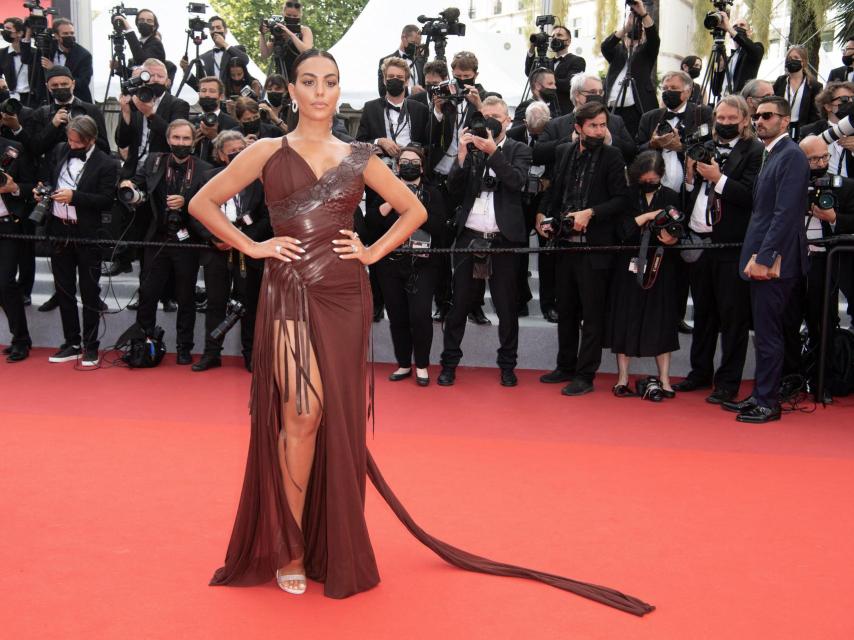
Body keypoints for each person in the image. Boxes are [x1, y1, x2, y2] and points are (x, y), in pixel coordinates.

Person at [188, 49, 653, 615]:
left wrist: (371, 251)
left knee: (330, 417)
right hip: (286, 289)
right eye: (308, 81)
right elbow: (202, 201)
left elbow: (414, 211)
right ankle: (288, 546)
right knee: (299, 414)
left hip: (342, 293)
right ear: (291, 89)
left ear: (340, 91)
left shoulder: (358, 156)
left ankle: (319, 537)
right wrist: (254, 245)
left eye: (330, 82)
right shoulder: (265, 150)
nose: (319, 92)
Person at [437, 96, 532, 387]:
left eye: (496, 116)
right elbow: (453, 190)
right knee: (459, 305)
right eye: (485, 115)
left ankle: (507, 366)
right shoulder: (471, 147)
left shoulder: (519, 149)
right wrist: (463, 157)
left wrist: (493, 152)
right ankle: (449, 363)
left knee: (506, 307)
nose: (489, 120)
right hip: (469, 238)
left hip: (504, 240)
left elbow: (516, 182)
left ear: (507, 121)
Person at [536, 101, 629, 396]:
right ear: (578, 127)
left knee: (592, 313)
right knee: (566, 309)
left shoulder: (613, 156)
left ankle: (585, 374)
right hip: (564, 245)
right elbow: (554, 190)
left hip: (594, 247)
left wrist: (591, 213)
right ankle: (565, 365)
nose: (600, 131)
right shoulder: (564, 151)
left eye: (603, 125)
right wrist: (542, 215)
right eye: (594, 125)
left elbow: (621, 200)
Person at [726, 96, 809, 423]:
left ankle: (768, 402)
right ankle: (761, 394)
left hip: (774, 261)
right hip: (762, 256)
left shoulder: (791, 156)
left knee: (769, 333)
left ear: (785, 121)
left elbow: (785, 214)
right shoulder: (771, 154)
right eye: (757, 116)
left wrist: (765, 256)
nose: (759, 120)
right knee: (763, 332)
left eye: (768, 115)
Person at [675, 95, 763, 403]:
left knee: (733, 318)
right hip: (699, 241)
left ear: (744, 120)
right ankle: (699, 373)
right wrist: (689, 177)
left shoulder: (755, 150)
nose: (724, 124)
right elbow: (691, 194)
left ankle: (727, 382)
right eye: (720, 119)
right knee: (704, 314)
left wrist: (719, 178)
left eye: (730, 119)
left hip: (731, 244)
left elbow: (751, 196)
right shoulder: (704, 144)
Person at [121, 119, 212, 365]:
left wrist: (187, 201)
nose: (181, 143)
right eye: (176, 138)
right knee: (148, 294)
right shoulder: (154, 161)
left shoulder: (204, 168)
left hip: (188, 241)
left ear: (193, 142)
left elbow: (212, 201)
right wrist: (128, 184)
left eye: (186, 139)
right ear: (168, 139)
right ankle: (144, 342)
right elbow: (137, 183)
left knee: (185, 297)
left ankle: (184, 347)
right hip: (156, 238)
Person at [36, 116, 119, 367]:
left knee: (90, 291)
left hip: (87, 233)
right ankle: (71, 343)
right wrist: (44, 188)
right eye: (70, 140)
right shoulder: (60, 150)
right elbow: (50, 177)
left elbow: (106, 200)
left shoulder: (106, 163)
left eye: (77, 142)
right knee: (63, 290)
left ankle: (90, 346)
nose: (71, 145)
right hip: (59, 230)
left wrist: (75, 196)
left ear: (91, 139)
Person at [189, 130, 271, 372]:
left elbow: (268, 217)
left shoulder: (260, 179)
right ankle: (211, 353)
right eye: (232, 152)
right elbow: (195, 214)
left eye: (241, 150)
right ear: (221, 156)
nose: (237, 154)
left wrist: (242, 240)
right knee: (215, 304)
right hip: (216, 251)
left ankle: (251, 355)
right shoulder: (208, 178)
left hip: (249, 251)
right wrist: (214, 237)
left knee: (250, 305)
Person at [367, 145, 446, 385]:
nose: (408, 165)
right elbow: (371, 223)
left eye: (414, 162)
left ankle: (421, 365)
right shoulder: (383, 190)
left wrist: (413, 205)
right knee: (398, 316)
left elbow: (439, 227)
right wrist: (394, 198)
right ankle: (403, 364)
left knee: (420, 315)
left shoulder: (433, 193)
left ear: (422, 167)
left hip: (422, 264)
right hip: (390, 265)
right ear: (397, 166)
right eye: (404, 162)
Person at [606, 151, 681, 399]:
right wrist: (648, 216)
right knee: (625, 317)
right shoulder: (626, 197)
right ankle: (622, 377)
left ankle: (665, 379)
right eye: (645, 178)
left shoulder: (671, 197)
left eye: (654, 178)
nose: (649, 182)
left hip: (662, 267)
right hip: (628, 266)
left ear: (661, 176)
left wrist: (672, 237)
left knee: (662, 320)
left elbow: (679, 231)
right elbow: (621, 230)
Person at [791, 135, 854, 402]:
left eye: (824, 157)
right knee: (787, 321)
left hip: (824, 264)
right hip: (792, 261)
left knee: (822, 322)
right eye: (813, 159)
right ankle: (790, 379)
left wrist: (833, 218)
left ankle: (823, 381)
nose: (820, 163)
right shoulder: (790, 184)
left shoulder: (845, 186)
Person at [507, 101, 555, 320]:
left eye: (542, 130)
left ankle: (549, 304)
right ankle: (519, 298)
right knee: (518, 249)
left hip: (546, 199)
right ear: (525, 122)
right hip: (519, 198)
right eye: (534, 131)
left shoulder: (554, 132)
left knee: (548, 252)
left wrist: (549, 182)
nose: (538, 134)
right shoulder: (514, 134)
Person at [533, 74, 637, 166]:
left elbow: (633, 152)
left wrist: (611, 140)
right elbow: (537, 155)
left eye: (600, 92)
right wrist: (569, 140)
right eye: (592, 92)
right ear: (577, 95)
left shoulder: (615, 121)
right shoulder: (556, 124)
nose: (598, 96)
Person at [601, 0, 660, 137]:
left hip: (635, 109)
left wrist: (643, 14)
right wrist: (626, 28)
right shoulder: (617, 52)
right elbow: (605, 47)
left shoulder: (646, 52)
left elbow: (654, 39)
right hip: (611, 110)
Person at [0, 134, 34, 362]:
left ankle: (21, 339)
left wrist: (13, 188)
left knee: (5, 283)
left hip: (7, 226)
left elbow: (32, 186)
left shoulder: (15, 148)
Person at [28, 66, 110, 157]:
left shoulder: (91, 110)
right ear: (48, 87)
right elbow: (35, 148)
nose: (60, 88)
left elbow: (105, 148)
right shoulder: (42, 113)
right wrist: (52, 126)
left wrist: (82, 130)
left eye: (64, 84)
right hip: (52, 168)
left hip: (85, 166)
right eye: (55, 85)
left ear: (73, 84)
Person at [524, 26, 585, 116]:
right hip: (543, 112)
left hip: (564, 112)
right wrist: (532, 48)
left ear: (568, 41)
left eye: (559, 35)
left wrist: (545, 81)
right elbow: (530, 72)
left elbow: (569, 84)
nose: (555, 38)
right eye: (552, 36)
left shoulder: (577, 61)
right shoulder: (546, 61)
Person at [180, 15, 250, 93]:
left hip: (233, 99)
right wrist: (186, 71)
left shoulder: (236, 50)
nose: (215, 31)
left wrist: (224, 43)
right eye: (212, 29)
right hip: (212, 100)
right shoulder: (203, 57)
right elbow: (199, 86)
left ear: (225, 31)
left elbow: (245, 60)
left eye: (218, 27)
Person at [800, 81, 854, 177]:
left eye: (853, 99)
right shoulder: (808, 131)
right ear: (828, 106)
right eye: (844, 99)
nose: (850, 102)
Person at [773, 45, 823, 140]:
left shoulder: (814, 85)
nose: (791, 60)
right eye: (789, 58)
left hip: (802, 131)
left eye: (796, 58)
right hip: (780, 129)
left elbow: (816, 114)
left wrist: (807, 133)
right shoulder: (780, 82)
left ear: (803, 62)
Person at [38, 18, 93, 104]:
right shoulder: (49, 49)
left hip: (77, 100)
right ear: (56, 36)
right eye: (65, 33)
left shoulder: (84, 55)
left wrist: (54, 69)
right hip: (51, 101)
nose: (69, 36)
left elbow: (83, 82)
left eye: (72, 33)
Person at [192, 76, 240, 165]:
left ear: (221, 96)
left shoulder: (232, 124)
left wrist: (215, 137)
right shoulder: (191, 122)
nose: (207, 94)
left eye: (212, 91)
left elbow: (234, 159)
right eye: (203, 91)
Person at [259, 1, 314, 79]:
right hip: (281, 77)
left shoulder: (304, 30)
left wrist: (290, 34)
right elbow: (265, 54)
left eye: (295, 16)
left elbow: (306, 51)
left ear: (300, 15)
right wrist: (261, 34)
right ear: (283, 13)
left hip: (300, 75)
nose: (291, 18)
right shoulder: (278, 29)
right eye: (288, 15)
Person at [711, 14, 764, 96]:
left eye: (742, 25)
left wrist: (729, 28)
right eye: (735, 26)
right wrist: (719, 71)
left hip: (741, 102)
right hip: (724, 102)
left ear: (750, 32)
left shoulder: (756, 47)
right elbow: (715, 91)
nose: (738, 27)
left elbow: (750, 48)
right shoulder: (729, 58)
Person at [377, 24, 423, 96]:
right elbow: (382, 91)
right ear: (403, 38)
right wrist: (410, 90)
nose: (416, 47)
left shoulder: (421, 61)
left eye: (418, 45)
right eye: (413, 43)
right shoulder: (385, 61)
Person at [0, 17, 33, 105]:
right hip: (12, 97)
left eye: (8, 29)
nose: (4, 31)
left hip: (31, 98)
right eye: (4, 28)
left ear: (19, 33)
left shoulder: (34, 53)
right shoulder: (2, 53)